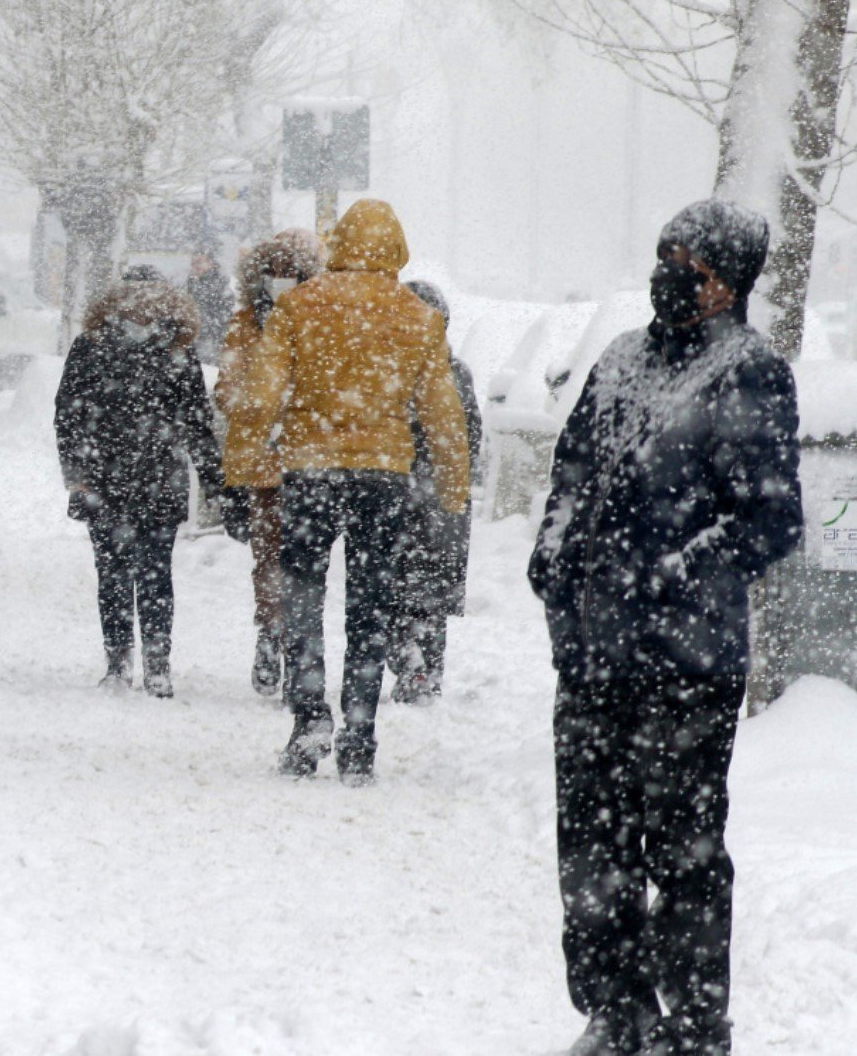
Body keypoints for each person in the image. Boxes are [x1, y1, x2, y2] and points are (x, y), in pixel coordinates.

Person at [529, 200, 801, 1056]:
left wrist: (676, 569)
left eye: (692, 258)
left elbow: (770, 519)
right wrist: (553, 558)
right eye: (665, 252)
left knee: (683, 851)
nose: (672, 268)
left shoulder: (749, 371)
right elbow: (571, 474)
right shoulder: (619, 359)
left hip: (688, 659)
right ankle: (615, 1006)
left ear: (729, 281)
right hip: (594, 652)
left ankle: (692, 1026)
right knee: (592, 843)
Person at [243, 199, 470, 784]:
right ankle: (360, 734)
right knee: (371, 606)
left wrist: (245, 462)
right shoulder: (419, 319)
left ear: (339, 244)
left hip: (311, 472)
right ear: (396, 250)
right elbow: (444, 416)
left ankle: (309, 715)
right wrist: (452, 487)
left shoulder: (298, 306)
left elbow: (261, 396)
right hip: (383, 478)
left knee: (302, 600)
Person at [54, 276, 236, 697]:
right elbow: (68, 413)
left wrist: (215, 480)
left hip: (156, 480)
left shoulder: (176, 351)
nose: (141, 309)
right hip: (104, 479)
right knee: (113, 573)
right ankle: (118, 661)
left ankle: (157, 664)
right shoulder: (92, 346)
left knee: (155, 573)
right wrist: (76, 471)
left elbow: (196, 423)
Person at [214, 229, 327, 696]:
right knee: (269, 560)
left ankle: (296, 645)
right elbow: (226, 390)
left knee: (304, 564)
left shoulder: (322, 321)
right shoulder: (245, 325)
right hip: (266, 466)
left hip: (308, 462)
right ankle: (271, 632)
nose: (280, 283)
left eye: (290, 274)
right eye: (272, 274)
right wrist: (257, 404)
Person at [386, 280, 483, 705]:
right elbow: (471, 437)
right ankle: (425, 669)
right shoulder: (455, 370)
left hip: (398, 493)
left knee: (388, 587)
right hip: (441, 499)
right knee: (430, 596)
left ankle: (406, 657)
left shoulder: (384, 368)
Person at [187, 247, 236, 364]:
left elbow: (224, 312)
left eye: (199, 262)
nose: (196, 266)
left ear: (211, 263)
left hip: (213, 336)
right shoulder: (192, 281)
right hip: (199, 334)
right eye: (193, 263)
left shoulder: (219, 283)